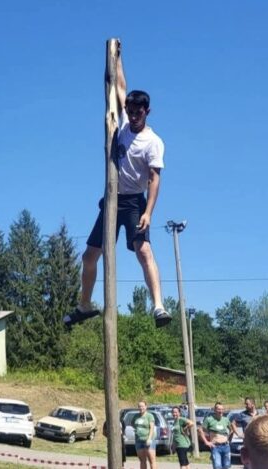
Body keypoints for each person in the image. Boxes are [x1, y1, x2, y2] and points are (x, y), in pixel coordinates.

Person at [64, 46, 171, 329]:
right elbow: (120, 84)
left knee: (143, 251)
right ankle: (84, 305)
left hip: (135, 202)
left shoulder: (153, 142)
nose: (134, 114)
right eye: (131, 110)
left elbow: (154, 179)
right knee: (89, 256)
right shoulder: (121, 122)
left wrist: (149, 212)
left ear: (148, 111)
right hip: (111, 200)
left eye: (139, 111)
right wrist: (117, 58)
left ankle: (158, 306)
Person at [199, 403, 233, 469]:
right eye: (219, 409)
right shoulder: (209, 419)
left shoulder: (226, 419)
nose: (221, 411)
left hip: (226, 446)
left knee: (227, 466)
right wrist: (206, 442)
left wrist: (229, 440)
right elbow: (200, 430)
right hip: (215, 447)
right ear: (214, 410)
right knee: (217, 467)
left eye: (222, 409)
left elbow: (231, 430)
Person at [133, 401, 157, 469]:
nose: (141, 408)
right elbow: (133, 424)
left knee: (151, 460)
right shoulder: (136, 416)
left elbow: (152, 428)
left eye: (142, 406)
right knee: (142, 460)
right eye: (139, 406)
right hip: (138, 440)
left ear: (146, 407)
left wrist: (149, 439)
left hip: (148, 440)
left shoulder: (149, 416)